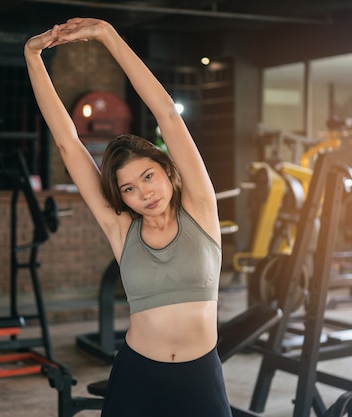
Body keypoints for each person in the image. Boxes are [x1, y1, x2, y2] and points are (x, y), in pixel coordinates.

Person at [24, 18, 232, 417]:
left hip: (200, 377)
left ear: (167, 169)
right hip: (138, 378)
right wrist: (32, 56)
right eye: (129, 189)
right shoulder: (121, 229)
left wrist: (106, 34)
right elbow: (68, 143)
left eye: (148, 176)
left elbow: (167, 114)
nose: (144, 193)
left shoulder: (202, 211)